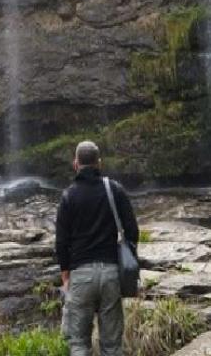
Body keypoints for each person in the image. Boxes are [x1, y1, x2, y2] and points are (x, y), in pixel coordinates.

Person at [55, 140, 139, 356]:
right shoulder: (114, 190)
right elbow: (132, 230)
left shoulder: (68, 196)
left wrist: (66, 276)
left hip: (80, 275)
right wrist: (127, 257)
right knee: (112, 347)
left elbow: (61, 241)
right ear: (99, 163)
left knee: (79, 344)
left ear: (76, 164)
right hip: (111, 273)